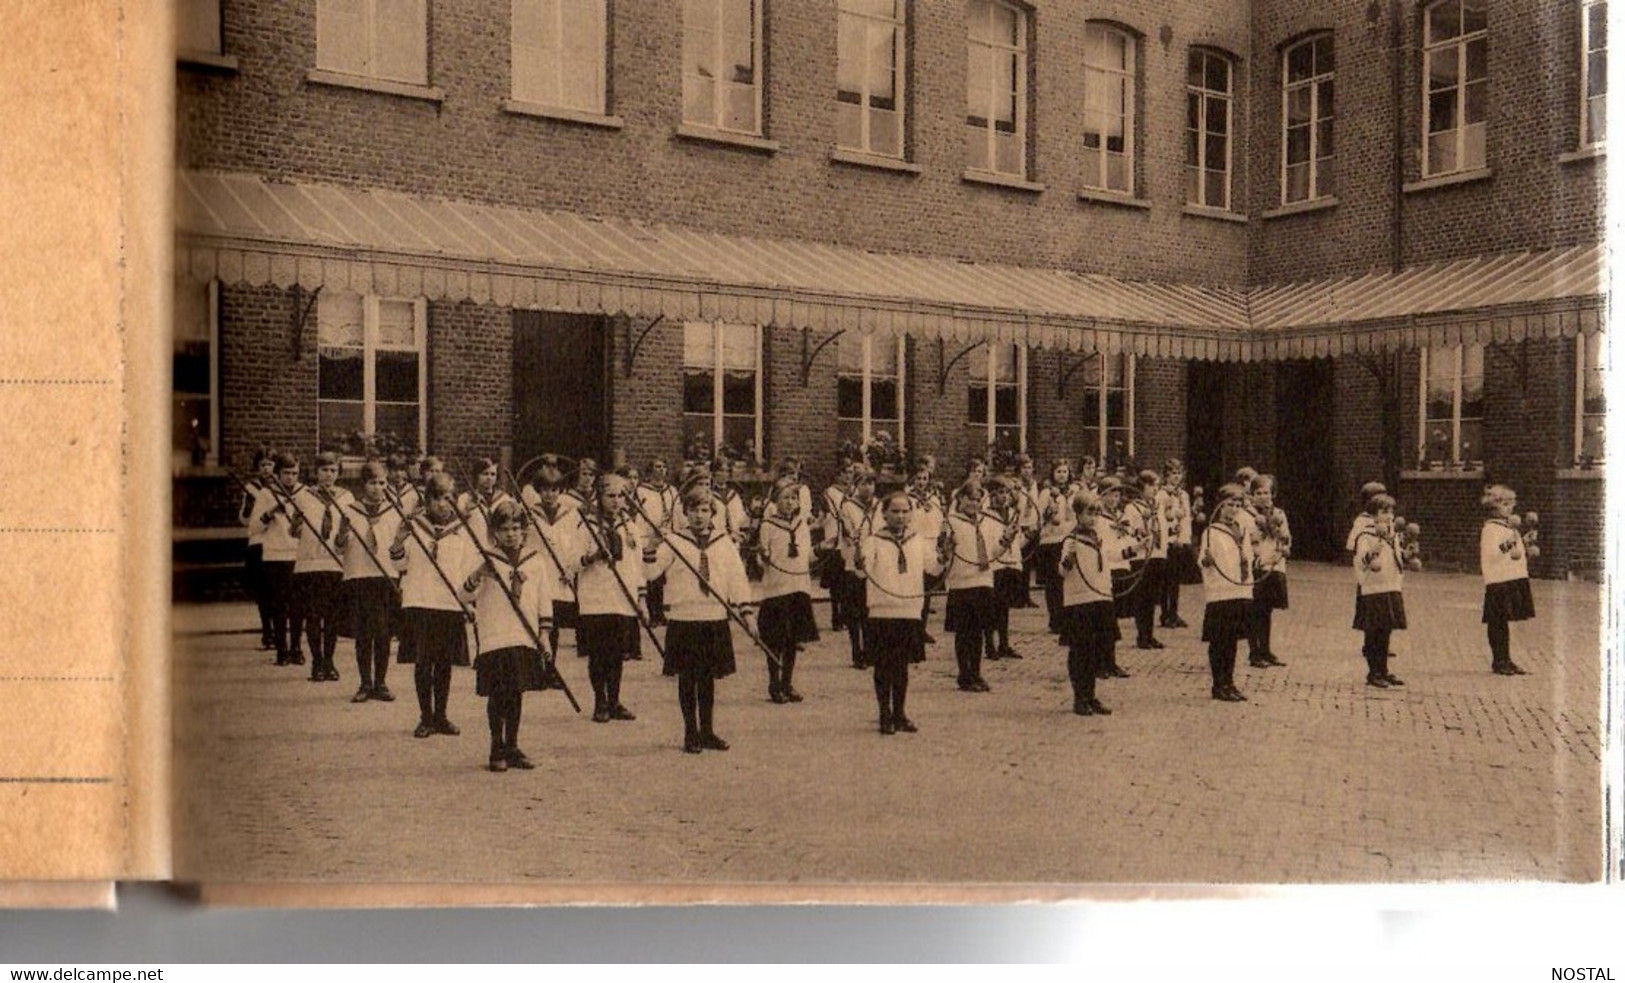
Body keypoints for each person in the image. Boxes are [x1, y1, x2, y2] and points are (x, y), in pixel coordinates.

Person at [646, 487, 755, 753]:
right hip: (684, 618)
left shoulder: (723, 542)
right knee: (687, 677)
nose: (698, 515)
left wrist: (746, 612)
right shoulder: (674, 541)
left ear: (712, 513)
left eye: (704, 510)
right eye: (693, 509)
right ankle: (690, 733)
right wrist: (652, 546)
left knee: (707, 678)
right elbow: (650, 573)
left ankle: (707, 731)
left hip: (713, 616)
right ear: (685, 512)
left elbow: (736, 579)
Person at [465, 501, 556, 772]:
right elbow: (464, 595)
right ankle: (496, 747)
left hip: (523, 635)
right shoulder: (486, 558)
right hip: (495, 635)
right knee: (497, 693)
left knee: (516, 692)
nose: (510, 534)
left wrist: (544, 635)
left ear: (524, 530)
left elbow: (543, 599)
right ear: (495, 531)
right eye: (504, 529)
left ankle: (513, 745)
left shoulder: (536, 560)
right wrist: (479, 574)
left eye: (516, 528)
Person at [390, 473, 477, 739]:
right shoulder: (414, 525)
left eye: (448, 498)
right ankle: (425, 717)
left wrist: (468, 603)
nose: (443, 504)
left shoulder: (463, 530)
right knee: (423, 661)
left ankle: (441, 715)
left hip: (449, 603)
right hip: (420, 600)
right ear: (427, 500)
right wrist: (398, 541)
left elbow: (467, 567)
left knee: (444, 663)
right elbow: (399, 566)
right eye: (437, 498)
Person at [857, 490, 945, 735]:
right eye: (894, 511)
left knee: (902, 666)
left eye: (905, 511)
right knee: (883, 665)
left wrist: (945, 556)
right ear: (884, 514)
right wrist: (858, 561)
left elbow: (933, 569)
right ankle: (884, 714)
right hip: (882, 610)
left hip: (909, 609)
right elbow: (861, 572)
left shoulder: (918, 539)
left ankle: (900, 713)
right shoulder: (873, 540)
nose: (900, 516)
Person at [574, 473, 646, 722]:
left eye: (621, 496)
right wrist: (591, 557)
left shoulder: (632, 528)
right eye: (610, 496)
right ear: (600, 497)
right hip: (596, 598)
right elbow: (571, 561)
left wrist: (641, 598)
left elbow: (637, 567)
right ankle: (600, 701)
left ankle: (615, 700)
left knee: (616, 654)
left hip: (622, 598)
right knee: (599, 653)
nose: (616, 501)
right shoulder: (587, 526)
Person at [942, 480, 1016, 692]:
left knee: (979, 632)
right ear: (960, 499)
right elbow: (944, 555)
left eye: (977, 500)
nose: (973, 503)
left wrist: (1006, 539)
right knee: (963, 632)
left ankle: (976, 672)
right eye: (969, 499)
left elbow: (993, 552)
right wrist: (945, 545)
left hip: (983, 581)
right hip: (961, 583)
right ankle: (964, 675)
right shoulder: (951, 523)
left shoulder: (987, 522)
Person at [337, 461, 402, 703]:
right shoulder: (350, 510)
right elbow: (339, 546)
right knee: (364, 633)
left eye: (382, 483)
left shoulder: (394, 511)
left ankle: (381, 682)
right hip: (359, 576)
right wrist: (342, 533)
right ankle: (365, 682)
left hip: (385, 577)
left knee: (383, 632)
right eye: (372, 483)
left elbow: (399, 545)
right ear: (363, 484)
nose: (377, 488)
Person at [1058, 488, 1123, 716]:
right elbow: (1062, 571)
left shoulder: (1100, 537)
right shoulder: (1071, 539)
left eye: (1096, 513)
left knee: (1096, 650)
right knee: (1080, 651)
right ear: (1078, 514)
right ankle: (1080, 697)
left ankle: (1092, 695)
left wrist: (1135, 549)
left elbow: (1112, 556)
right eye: (1089, 513)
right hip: (1080, 601)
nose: (1093, 518)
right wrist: (1068, 560)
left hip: (1100, 597)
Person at [290, 451, 352, 683]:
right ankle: (316, 661)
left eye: (333, 470)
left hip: (334, 563)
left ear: (339, 472)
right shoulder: (304, 496)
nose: (329, 475)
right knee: (314, 616)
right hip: (309, 563)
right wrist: (296, 524)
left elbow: (348, 533)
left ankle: (329, 660)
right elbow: (294, 532)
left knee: (332, 617)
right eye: (324, 470)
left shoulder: (346, 497)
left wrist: (344, 533)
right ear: (316, 472)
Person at [756, 476, 818, 704]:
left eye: (794, 498)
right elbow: (763, 560)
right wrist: (762, 556)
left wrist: (821, 551)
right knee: (776, 640)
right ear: (775, 501)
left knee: (792, 640)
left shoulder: (802, 525)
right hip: (777, 589)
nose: (790, 502)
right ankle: (774, 683)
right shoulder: (768, 525)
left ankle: (787, 682)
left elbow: (807, 555)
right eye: (785, 498)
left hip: (799, 587)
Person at [523, 457, 584, 658]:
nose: (550, 494)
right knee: (538, 619)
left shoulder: (570, 515)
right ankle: (538, 667)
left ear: (561, 491)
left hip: (559, 573)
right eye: (545, 490)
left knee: (554, 622)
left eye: (554, 490)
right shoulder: (529, 515)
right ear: (538, 491)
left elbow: (576, 545)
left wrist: (570, 569)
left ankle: (551, 667)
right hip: (539, 571)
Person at [1199, 484, 1254, 702]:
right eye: (1229, 505)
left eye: (1238, 505)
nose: (1233, 509)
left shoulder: (1242, 530)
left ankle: (1229, 682)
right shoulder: (1212, 532)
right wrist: (1207, 560)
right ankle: (1218, 683)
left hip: (1239, 590)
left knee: (1232, 641)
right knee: (1219, 640)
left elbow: (1248, 556)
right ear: (1220, 506)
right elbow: (1204, 559)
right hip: (1221, 592)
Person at [250, 452, 304, 666]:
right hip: (274, 556)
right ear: (278, 473)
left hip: (297, 555)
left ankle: (296, 648)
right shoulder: (266, 494)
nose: (290, 478)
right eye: (286, 473)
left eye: (294, 473)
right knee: (278, 605)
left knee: (297, 606)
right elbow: (254, 528)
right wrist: (271, 512)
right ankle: (282, 650)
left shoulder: (304, 493)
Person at [1351, 493, 1406, 688]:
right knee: (1374, 631)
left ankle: (1384, 669)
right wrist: (1379, 543)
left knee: (1386, 630)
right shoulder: (1365, 535)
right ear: (1373, 515)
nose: (1389, 516)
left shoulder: (1393, 535)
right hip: (1374, 589)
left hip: (1391, 586)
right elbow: (1362, 560)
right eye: (1384, 512)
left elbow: (1397, 558)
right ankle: (1373, 672)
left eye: (1391, 511)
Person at [1481, 484, 1535, 676]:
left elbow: (1514, 552)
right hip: (1498, 580)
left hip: (1512, 577)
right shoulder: (1491, 529)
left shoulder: (1508, 527)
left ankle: (1507, 658)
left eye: (1511, 503)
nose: (1509, 508)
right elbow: (1494, 554)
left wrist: (1525, 542)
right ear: (1494, 506)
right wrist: (1512, 540)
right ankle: (1498, 660)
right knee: (1497, 621)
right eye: (1505, 504)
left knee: (1504, 621)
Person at [834, 466, 879, 669]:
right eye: (863, 484)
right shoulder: (848, 507)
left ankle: (870, 649)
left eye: (870, 483)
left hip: (875, 564)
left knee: (871, 610)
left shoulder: (879, 506)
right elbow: (845, 532)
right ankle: (856, 651)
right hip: (854, 563)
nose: (867, 488)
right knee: (855, 611)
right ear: (856, 485)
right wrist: (850, 535)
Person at [1246, 473, 1290, 669]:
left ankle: (1265, 649)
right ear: (1252, 495)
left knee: (1267, 610)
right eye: (1259, 493)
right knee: (1255, 610)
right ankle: (1254, 652)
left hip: (1274, 566)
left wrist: (1283, 550)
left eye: (1267, 492)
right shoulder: (1247, 515)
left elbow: (1286, 538)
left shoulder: (1279, 514)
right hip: (1256, 567)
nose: (1263, 496)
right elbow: (1245, 541)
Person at [238, 449, 277, 649]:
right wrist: (252, 506)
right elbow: (244, 519)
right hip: (259, 543)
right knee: (263, 592)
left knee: (278, 591)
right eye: (262, 465)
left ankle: (279, 635)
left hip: (279, 544)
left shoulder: (283, 488)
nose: (266, 469)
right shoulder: (251, 489)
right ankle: (267, 633)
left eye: (270, 464)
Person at [986, 477, 1028, 660]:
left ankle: (1004, 644)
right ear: (992, 495)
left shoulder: (1011, 513)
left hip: (1011, 563)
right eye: (1000, 493)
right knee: (992, 607)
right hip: (996, 565)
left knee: (1004, 607)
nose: (1004, 497)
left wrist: (1027, 537)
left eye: (1006, 493)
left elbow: (1018, 542)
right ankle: (989, 645)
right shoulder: (985, 516)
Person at [1034, 459, 1077, 633]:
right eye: (1058, 471)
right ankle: (1055, 619)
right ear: (1053, 474)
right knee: (1053, 583)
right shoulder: (1047, 493)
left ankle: (1067, 618)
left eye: (1065, 471)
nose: (1061, 475)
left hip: (1067, 539)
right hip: (1050, 541)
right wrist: (1049, 514)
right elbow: (1040, 516)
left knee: (1067, 580)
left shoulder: (1074, 492)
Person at [1126, 470, 1166, 651]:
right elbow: (1127, 528)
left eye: (1156, 486)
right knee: (1142, 597)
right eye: (1151, 486)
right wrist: (1138, 533)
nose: (1154, 490)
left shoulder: (1157, 506)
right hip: (1141, 556)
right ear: (1141, 487)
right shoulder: (1132, 508)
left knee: (1152, 598)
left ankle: (1150, 634)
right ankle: (1142, 635)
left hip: (1157, 554)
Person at [635, 457, 678, 627]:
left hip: (667, 537)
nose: (661, 470)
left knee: (663, 575)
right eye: (657, 467)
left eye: (663, 467)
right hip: (650, 537)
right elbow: (640, 516)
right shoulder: (642, 491)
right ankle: (652, 613)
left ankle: (660, 612)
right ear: (650, 470)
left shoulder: (672, 491)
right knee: (650, 574)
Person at [817, 460, 857, 631]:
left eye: (850, 473)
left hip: (849, 541)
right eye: (845, 472)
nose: (849, 476)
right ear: (838, 474)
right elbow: (823, 516)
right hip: (835, 539)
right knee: (836, 583)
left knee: (849, 581)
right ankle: (836, 616)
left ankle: (847, 615)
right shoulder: (830, 493)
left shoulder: (854, 492)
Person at [1159, 459, 1196, 628]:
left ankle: (1174, 613)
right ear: (1166, 476)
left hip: (1180, 542)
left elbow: (1187, 519)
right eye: (1173, 473)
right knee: (1166, 580)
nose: (1176, 477)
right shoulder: (1162, 494)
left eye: (1178, 473)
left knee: (1176, 580)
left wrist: (1185, 539)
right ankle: (1165, 614)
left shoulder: (1184, 495)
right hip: (1168, 542)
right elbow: (1161, 518)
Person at [456, 457, 509, 550]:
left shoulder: (504, 498)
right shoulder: (465, 498)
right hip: (472, 547)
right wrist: (466, 511)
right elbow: (457, 525)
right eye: (485, 474)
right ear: (477, 476)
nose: (489, 478)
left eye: (493, 474)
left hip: (497, 548)